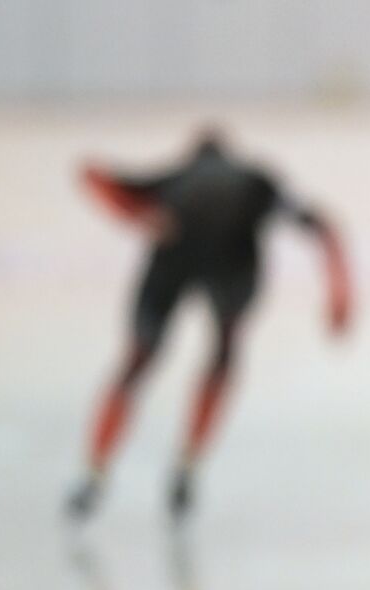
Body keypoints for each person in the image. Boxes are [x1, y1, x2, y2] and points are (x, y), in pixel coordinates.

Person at [66, 129, 352, 521]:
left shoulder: (175, 178)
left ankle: (95, 474)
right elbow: (321, 225)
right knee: (223, 352)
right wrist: (340, 291)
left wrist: (136, 216)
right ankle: (187, 464)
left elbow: (93, 175)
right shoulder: (254, 182)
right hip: (230, 259)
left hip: (175, 252)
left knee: (137, 362)